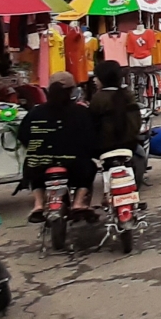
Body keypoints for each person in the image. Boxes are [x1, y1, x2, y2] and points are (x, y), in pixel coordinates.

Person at [17, 73, 97, 222]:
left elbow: (23, 136)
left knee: (33, 165)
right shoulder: (81, 112)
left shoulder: (35, 112)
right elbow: (91, 137)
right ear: (72, 90)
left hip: (39, 167)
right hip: (75, 166)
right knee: (90, 167)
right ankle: (79, 202)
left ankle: (38, 204)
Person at [88, 60, 145, 185]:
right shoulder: (128, 95)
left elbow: (91, 125)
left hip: (103, 147)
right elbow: (137, 122)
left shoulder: (98, 98)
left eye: (96, 77)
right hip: (129, 145)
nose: (94, 80)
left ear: (103, 78)